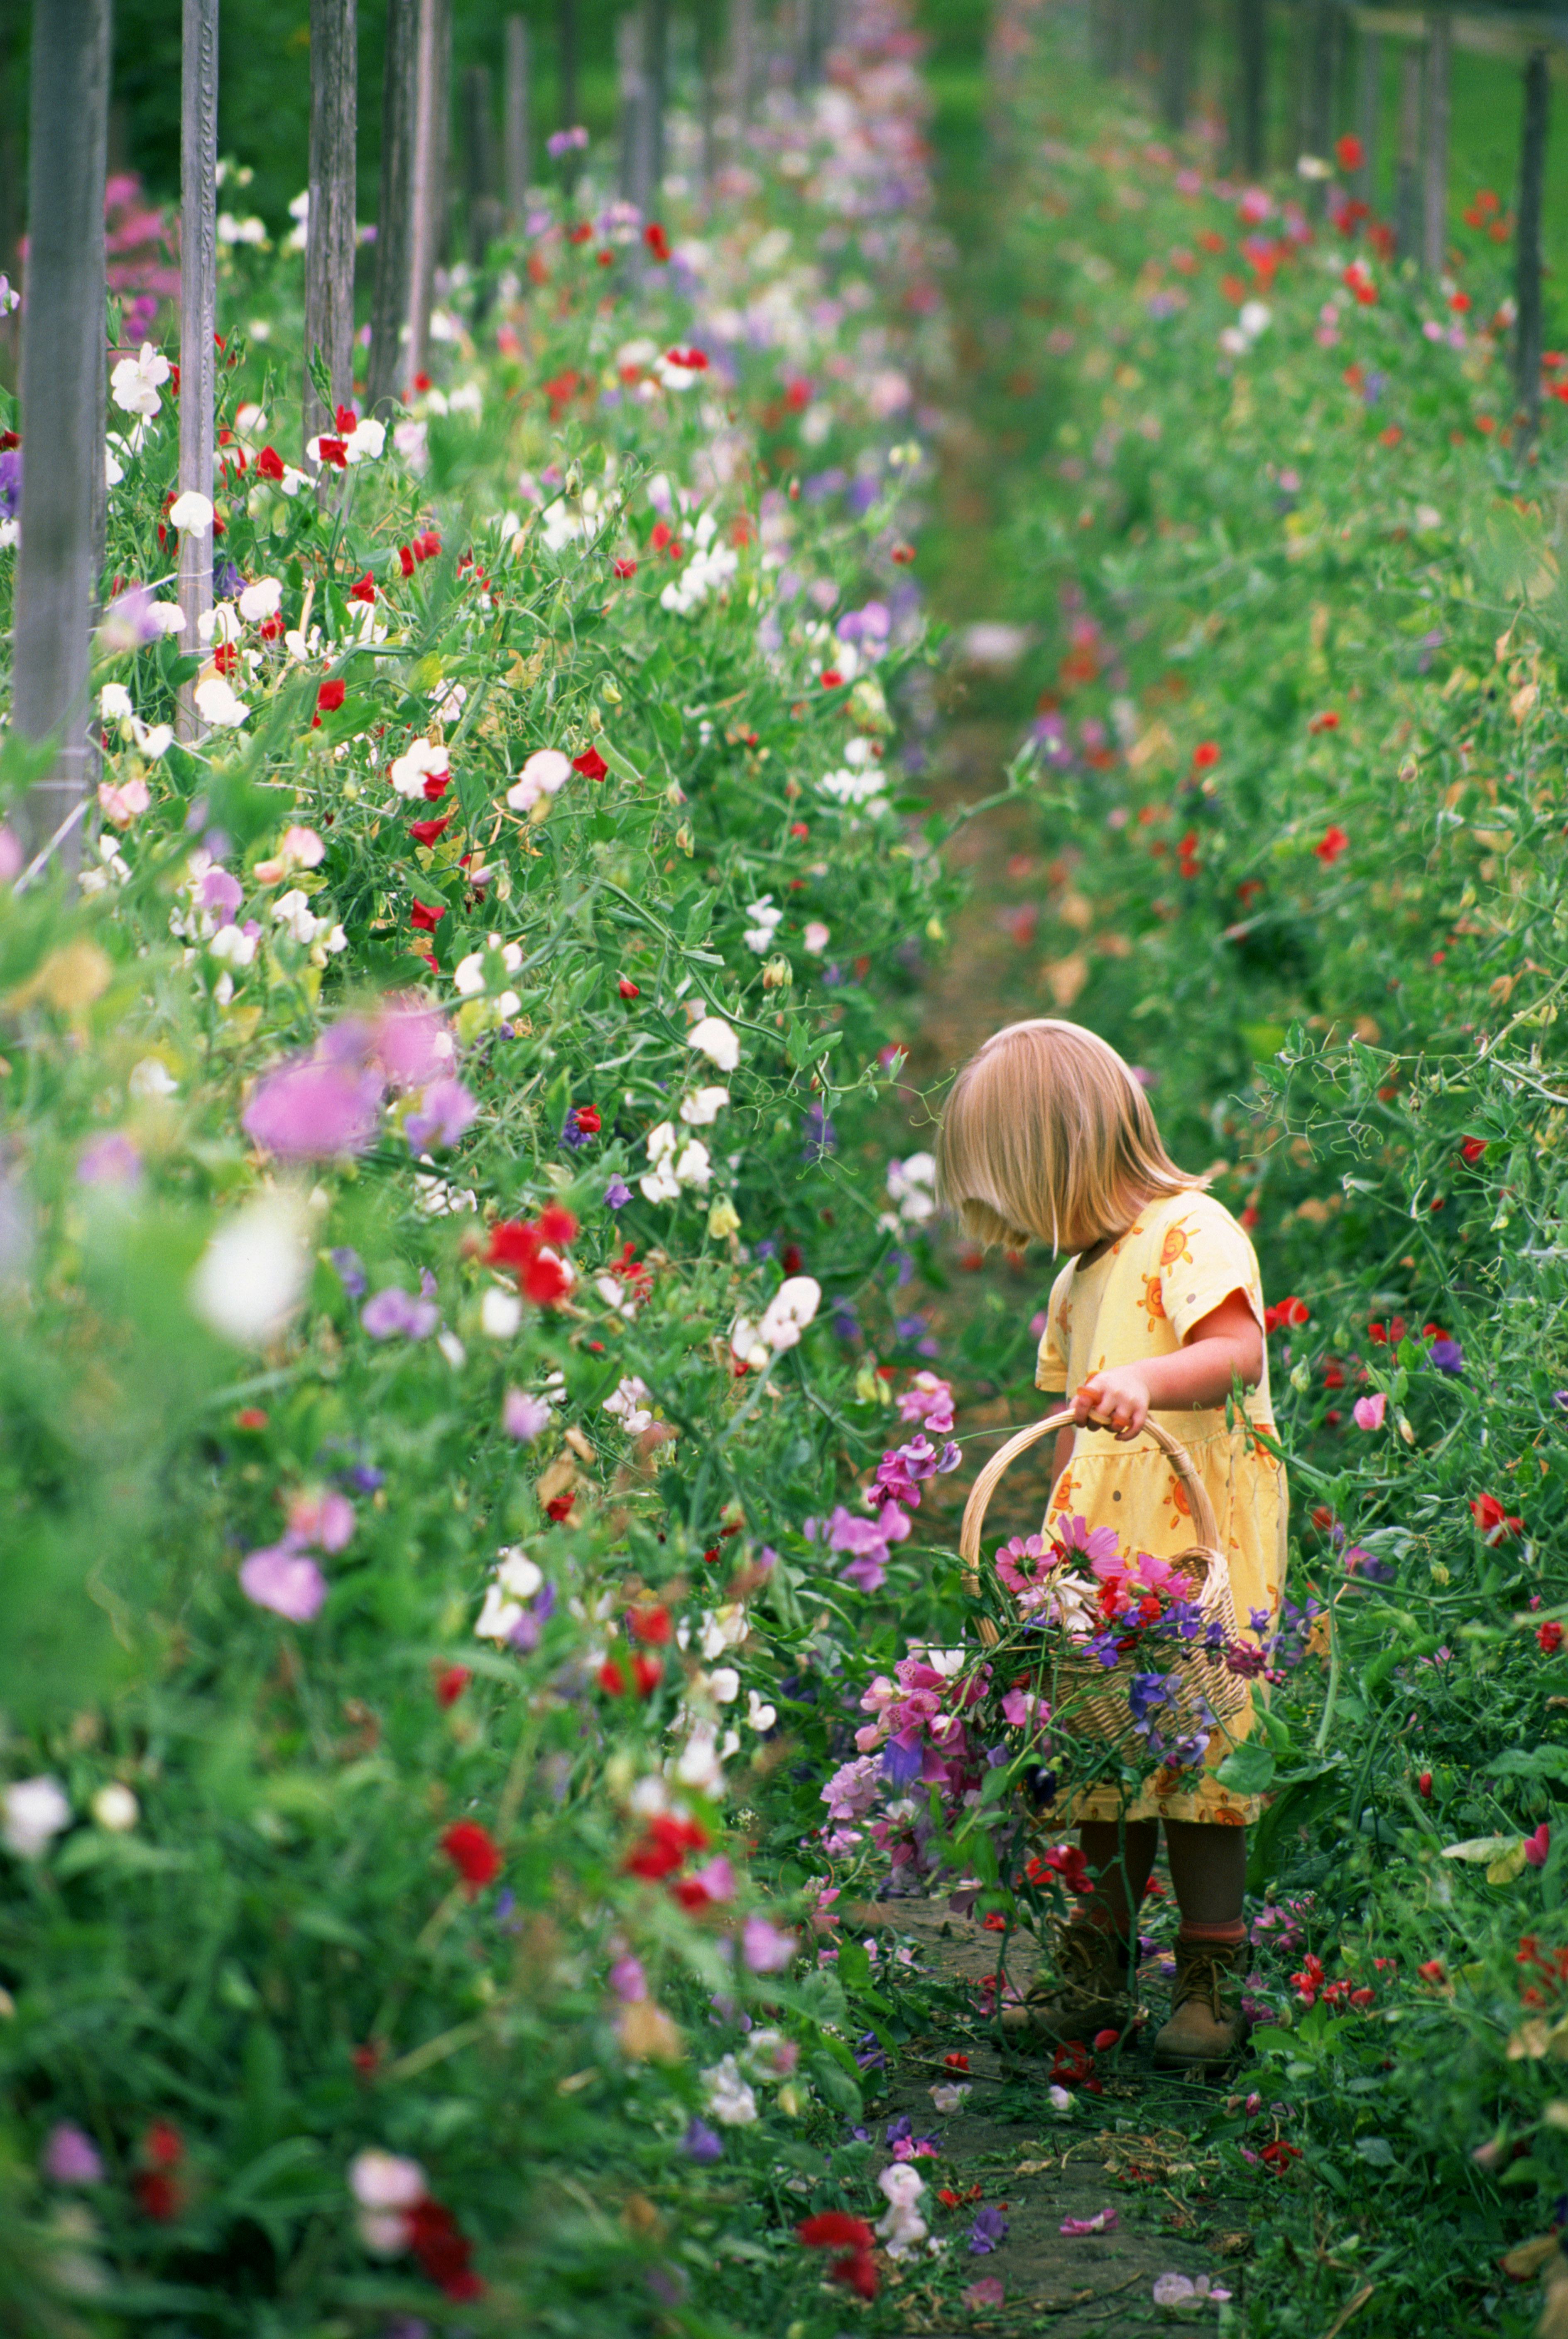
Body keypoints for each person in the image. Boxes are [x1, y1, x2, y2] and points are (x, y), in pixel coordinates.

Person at [935, 1018, 1287, 2069]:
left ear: (1063, 1153)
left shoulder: (1193, 1231)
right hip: (1104, 1560)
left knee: (1196, 1752)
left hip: (1190, 1553)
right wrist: (1047, 1567)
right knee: (1100, 1748)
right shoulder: (1078, 1275)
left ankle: (1212, 1973)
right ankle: (1095, 1959)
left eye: (1015, 1194)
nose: (1014, 1227)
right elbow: (1075, 1439)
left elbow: (1235, 1353)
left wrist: (1143, 1380)